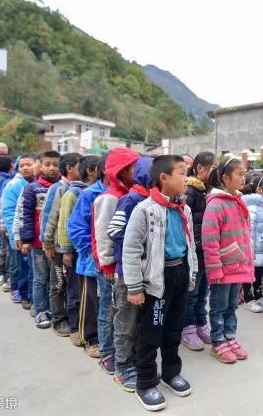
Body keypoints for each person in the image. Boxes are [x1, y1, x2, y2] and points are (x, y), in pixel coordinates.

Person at [123, 155, 197, 410]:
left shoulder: (184, 209)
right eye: (181, 172)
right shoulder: (145, 210)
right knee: (151, 332)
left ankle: (170, 372)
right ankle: (145, 382)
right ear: (164, 177)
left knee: (174, 328)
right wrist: (134, 286)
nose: (186, 178)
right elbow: (131, 249)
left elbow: (190, 245)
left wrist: (191, 274)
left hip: (180, 273)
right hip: (158, 279)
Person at [106, 155, 153, 391]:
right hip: (127, 272)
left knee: (139, 321)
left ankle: (134, 360)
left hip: (147, 272)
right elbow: (114, 230)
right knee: (126, 321)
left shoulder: (153, 200)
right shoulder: (131, 199)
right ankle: (122, 366)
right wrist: (141, 240)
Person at [93, 147, 140, 374]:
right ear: (121, 171)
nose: (138, 172)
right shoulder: (110, 198)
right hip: (110, 268)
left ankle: (120, 350)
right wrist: (108, 265)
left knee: (120, 311)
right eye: (134, 168)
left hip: (123, 266)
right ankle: (107, 352)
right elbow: (103, 235)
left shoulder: (131, 195)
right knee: (109, 310)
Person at [202, 157, 254, 364]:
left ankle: (230, 337)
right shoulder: (216, 204)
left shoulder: (238, 201)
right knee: (219, 306)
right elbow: (210, 240)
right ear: (225, 178)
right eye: (239, 174)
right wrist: (214, 269)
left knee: (232, 305)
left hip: (238, 266)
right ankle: (218, 342)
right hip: (223, 268)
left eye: (244, 174)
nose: (243, 178)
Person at [68, 155, 109, 358]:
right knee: (91, 302)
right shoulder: (89, 194)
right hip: (91, 263)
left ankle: (106, 338)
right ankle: (90, 339)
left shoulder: (123, 193)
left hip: (111, 263)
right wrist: (94, 252)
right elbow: (76, 228)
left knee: (107, 303)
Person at [58, 155, 99, 347]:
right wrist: (66, 250)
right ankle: (77, 328)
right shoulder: (75, 193)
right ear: (91, 171)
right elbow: (67, 224)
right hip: (80, 253)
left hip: (90, 254)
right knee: (76, 291)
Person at [41, 153, 83, 337]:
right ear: (70, 168)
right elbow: (48, 218)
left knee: (70, 285)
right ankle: (58, 320)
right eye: (80, 165)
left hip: (72, 248)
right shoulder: (58, 189)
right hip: (58, 248)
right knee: (57, 284)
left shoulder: (79, 188)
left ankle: (69, 317)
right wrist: (48, 243)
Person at [20, 150, 61, 329]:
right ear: (40, 166)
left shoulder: (63, 187)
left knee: (56, 278)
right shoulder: (32, 188)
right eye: (47, 164)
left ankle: (54, 309)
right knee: (40, 277)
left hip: (57, 244)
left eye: (55, 165)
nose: (51, 168)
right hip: (38, 244)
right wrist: (26, 239)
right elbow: (26, 216)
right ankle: (41, 310)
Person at [181, 151, 218, 351]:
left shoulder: (207, 190)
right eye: (214, 168)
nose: (217, 172)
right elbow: (186, 223)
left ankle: (201, 324)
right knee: (192, 293)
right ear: (200, 168)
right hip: (194, 251)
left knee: (203, 291)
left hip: (205, 250)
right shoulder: (190, 190)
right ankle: (187, 329)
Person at [0, 154, 36, 306]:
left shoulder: (39, 184)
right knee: (23, 266)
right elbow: (9, 212)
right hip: (21, 234)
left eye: (29, 164)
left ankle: (32, 295)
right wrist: (15, 235)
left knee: (34, 268)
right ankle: (23, 295)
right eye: (22, 165)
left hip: (35, 234)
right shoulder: (15, 186)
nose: (25, 168)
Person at [241, 174, 263, 314]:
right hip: (253, 247)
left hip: (260, 246)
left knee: (258, 273)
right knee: (249, 273)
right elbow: (250, 229)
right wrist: (250, 248)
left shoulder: (262, 204)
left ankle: (258, 295)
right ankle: (248, 298)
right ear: (259, 189)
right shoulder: (253, 205)